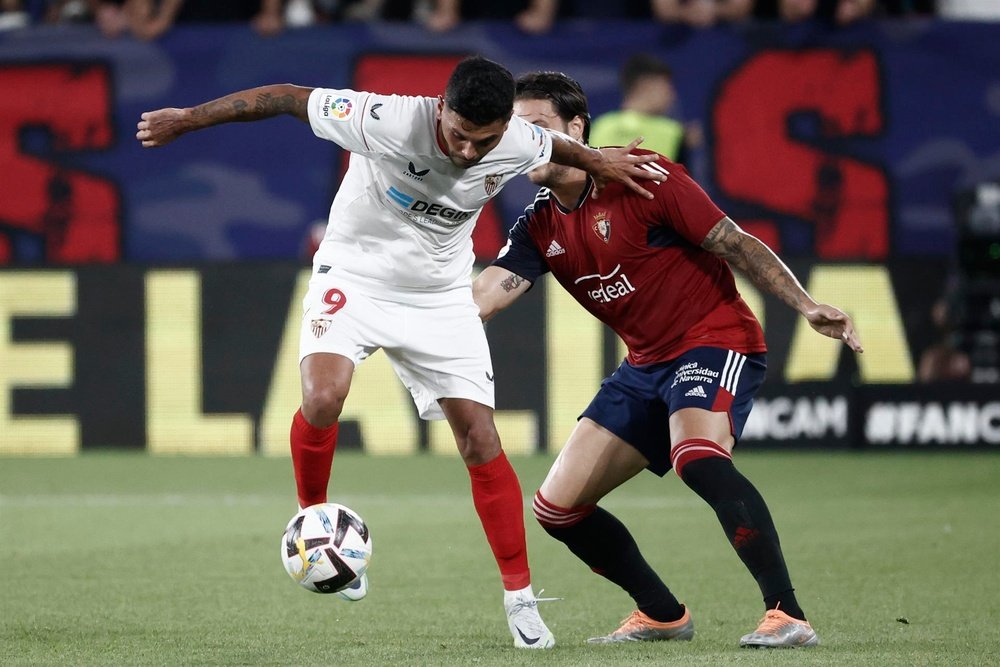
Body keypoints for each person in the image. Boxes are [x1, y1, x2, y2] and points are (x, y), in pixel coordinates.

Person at [135, 55, 663, 649]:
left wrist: (606, 161)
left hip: (439, 295)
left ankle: (520, 599)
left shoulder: (518, 139)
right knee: (324, 395)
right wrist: (185, 119)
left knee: (479, 437)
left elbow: (567, 151)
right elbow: (284, 95)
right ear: (442, 108)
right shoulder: (383, 118)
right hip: (355, 274)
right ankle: (317, 525)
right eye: (459, 134)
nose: (467, 151)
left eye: (482, 142)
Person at [474, 71, 863, 648]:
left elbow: (734, 241)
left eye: (537, 128)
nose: (522, 142)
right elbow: (484, 296)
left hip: (714, 337)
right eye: (514, 131)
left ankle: (788, 614)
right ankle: (661, 613)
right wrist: (397, 322)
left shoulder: (644, 177)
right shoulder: (538, 222)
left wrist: (805, 305)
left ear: (576, 128)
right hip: (645, 364)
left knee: (697, 456)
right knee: (557, 508)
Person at [589, 54, 697, 165]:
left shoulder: (600, 126)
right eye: (666, 87)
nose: (672, 95)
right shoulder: (673, 132)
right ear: (646, 85)